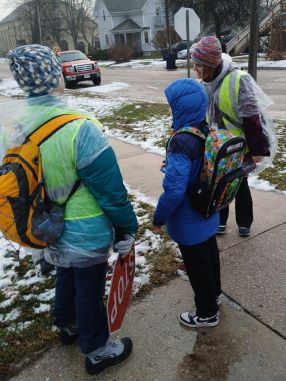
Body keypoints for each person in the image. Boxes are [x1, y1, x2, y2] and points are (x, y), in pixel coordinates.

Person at [6, 44, 138, 375]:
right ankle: (96, 349)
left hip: (44, 224)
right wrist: (126, 227)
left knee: (64, 272)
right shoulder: (80, 127)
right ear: (54, 76)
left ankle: (66, 325)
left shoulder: (11, 128)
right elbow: (110, 190)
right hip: (86, 227)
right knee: (90, 290)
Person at [153, 78, 221, 328]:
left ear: (180, 107)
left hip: (188, 217)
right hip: (208, 209)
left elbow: (174, 191)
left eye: (172, 105)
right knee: (210, 255)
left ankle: (206, 314)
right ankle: (214, 296)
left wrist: (159, 217)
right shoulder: (205, 129)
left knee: (197, 266)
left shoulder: (182, 140)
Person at [191, 36, 271, 237]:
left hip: (238, 146)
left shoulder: (237, 79)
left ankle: (244, 222)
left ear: (209, 64)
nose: (195, 69)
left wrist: (257, 150)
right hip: (217, 146)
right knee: (218, 182)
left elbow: (252, 117)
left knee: (239, 182)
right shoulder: (207, 82)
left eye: (198, 65)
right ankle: (220, 220)